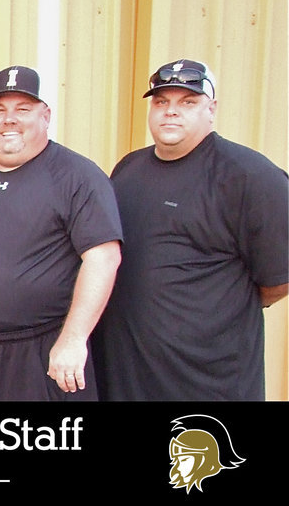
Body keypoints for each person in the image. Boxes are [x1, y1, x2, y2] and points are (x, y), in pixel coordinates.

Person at [96, 60, 288, 401]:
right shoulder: (128, 169)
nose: (171, 112)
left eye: (187, 102)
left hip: (207, 385)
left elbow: (279, 279)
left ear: (211, 110)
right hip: (126, 377)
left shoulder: (251, 177)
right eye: (161, 102)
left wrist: (215, 309)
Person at [0, 66, 122, 401]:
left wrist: (73, 339)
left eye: (23, 109)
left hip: (42, 352)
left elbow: (103, 257)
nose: (9, 119)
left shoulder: (77, 176)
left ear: (46, 116)